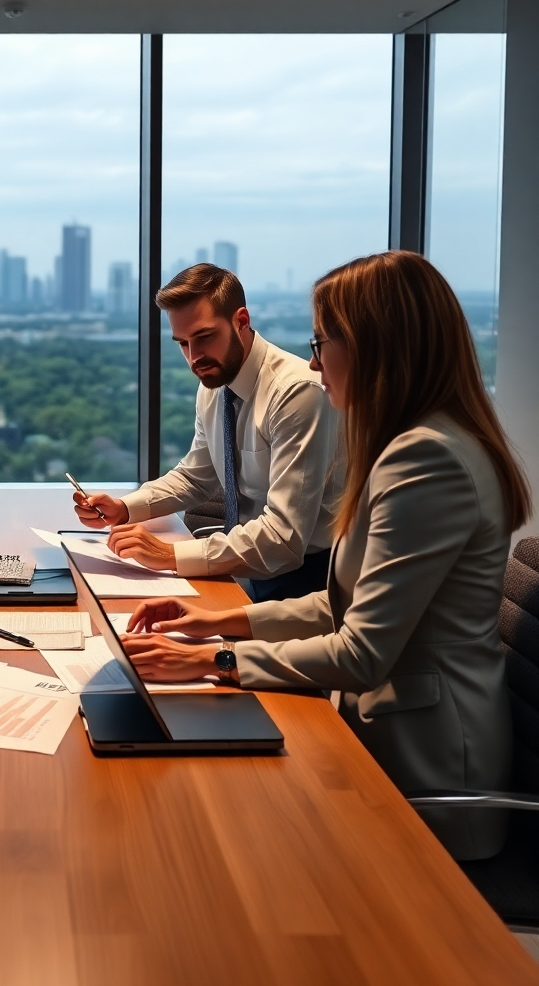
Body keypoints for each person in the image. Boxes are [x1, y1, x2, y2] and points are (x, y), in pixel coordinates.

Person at [120, 250, 531, 861]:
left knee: (218, 839)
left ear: (374, 346)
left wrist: (215, 660)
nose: (312, 362)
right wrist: (213, 621)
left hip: (426, 773)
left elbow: (362, 653)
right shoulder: (412, 442)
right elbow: (344, 603)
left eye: (322, 342)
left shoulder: (427, 460)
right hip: (383, 731)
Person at [73, 263, 342, 602]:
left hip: (307, 582)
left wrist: (167, 555)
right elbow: (196, 477)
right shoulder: (215, 383)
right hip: (245, 566)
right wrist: (124, 508)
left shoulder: (297, 392)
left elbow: (283, 539)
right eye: (183, 343)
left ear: (241, 322)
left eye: (203, 337)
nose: (194, 358)